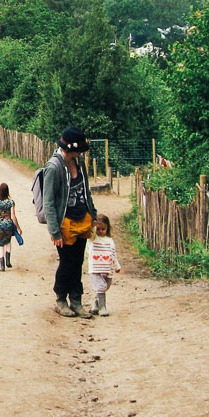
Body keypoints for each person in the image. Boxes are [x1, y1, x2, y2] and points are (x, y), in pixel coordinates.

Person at [43, 126, 97, 318]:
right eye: (79, 149)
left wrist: (94, 214)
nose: (81, 153)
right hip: (65, 224)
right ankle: (60, 299)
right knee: (66, 262)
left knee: (77, 261)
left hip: (82, 219)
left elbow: (86, 190)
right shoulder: (53, 168)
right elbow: (48, 202)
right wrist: (55, 231)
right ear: (69, 149)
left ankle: (77, 300)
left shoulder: (79, 162)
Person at [87, 214, 120, 316]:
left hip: (107, 269)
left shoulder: (110, 241)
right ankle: (103, 308)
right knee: (101, 287)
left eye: (103, 229)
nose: (100, 231)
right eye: (98, 229)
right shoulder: (93, 239)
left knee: (105, 287)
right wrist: (93, 224)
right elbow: (90, 230)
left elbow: (113, 254)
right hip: (96, 269)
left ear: (107, 229)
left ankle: (95, 305)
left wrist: (116, 266)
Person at [0, 183, 21, 271]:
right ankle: (8, 261)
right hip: (8, 226)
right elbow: (13, 216)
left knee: (0, 245)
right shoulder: (11, 202)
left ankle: (2, 265)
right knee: (8, 242)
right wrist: (18, 227)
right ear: (7, 192)